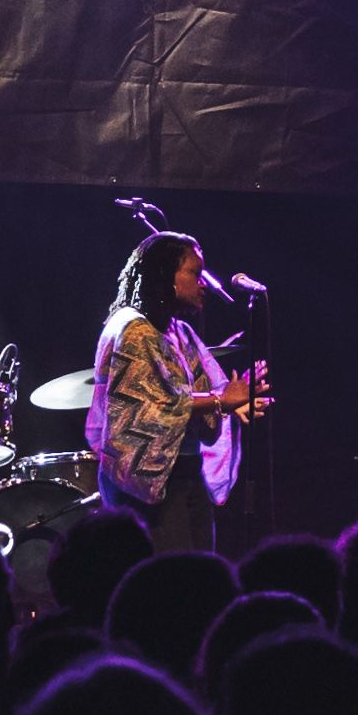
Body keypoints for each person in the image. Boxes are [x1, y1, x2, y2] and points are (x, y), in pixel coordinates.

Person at [88, 234, 264, 555]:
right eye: (194, 273)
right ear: (164, 274)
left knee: (201, 576)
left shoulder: (177, 331)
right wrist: (219, 401)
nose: (204, 284)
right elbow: (151, 407)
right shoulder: (133, 330)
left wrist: (230, 402)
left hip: (186, 472)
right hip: (147, 483)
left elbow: (201, 388)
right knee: (174, 582)